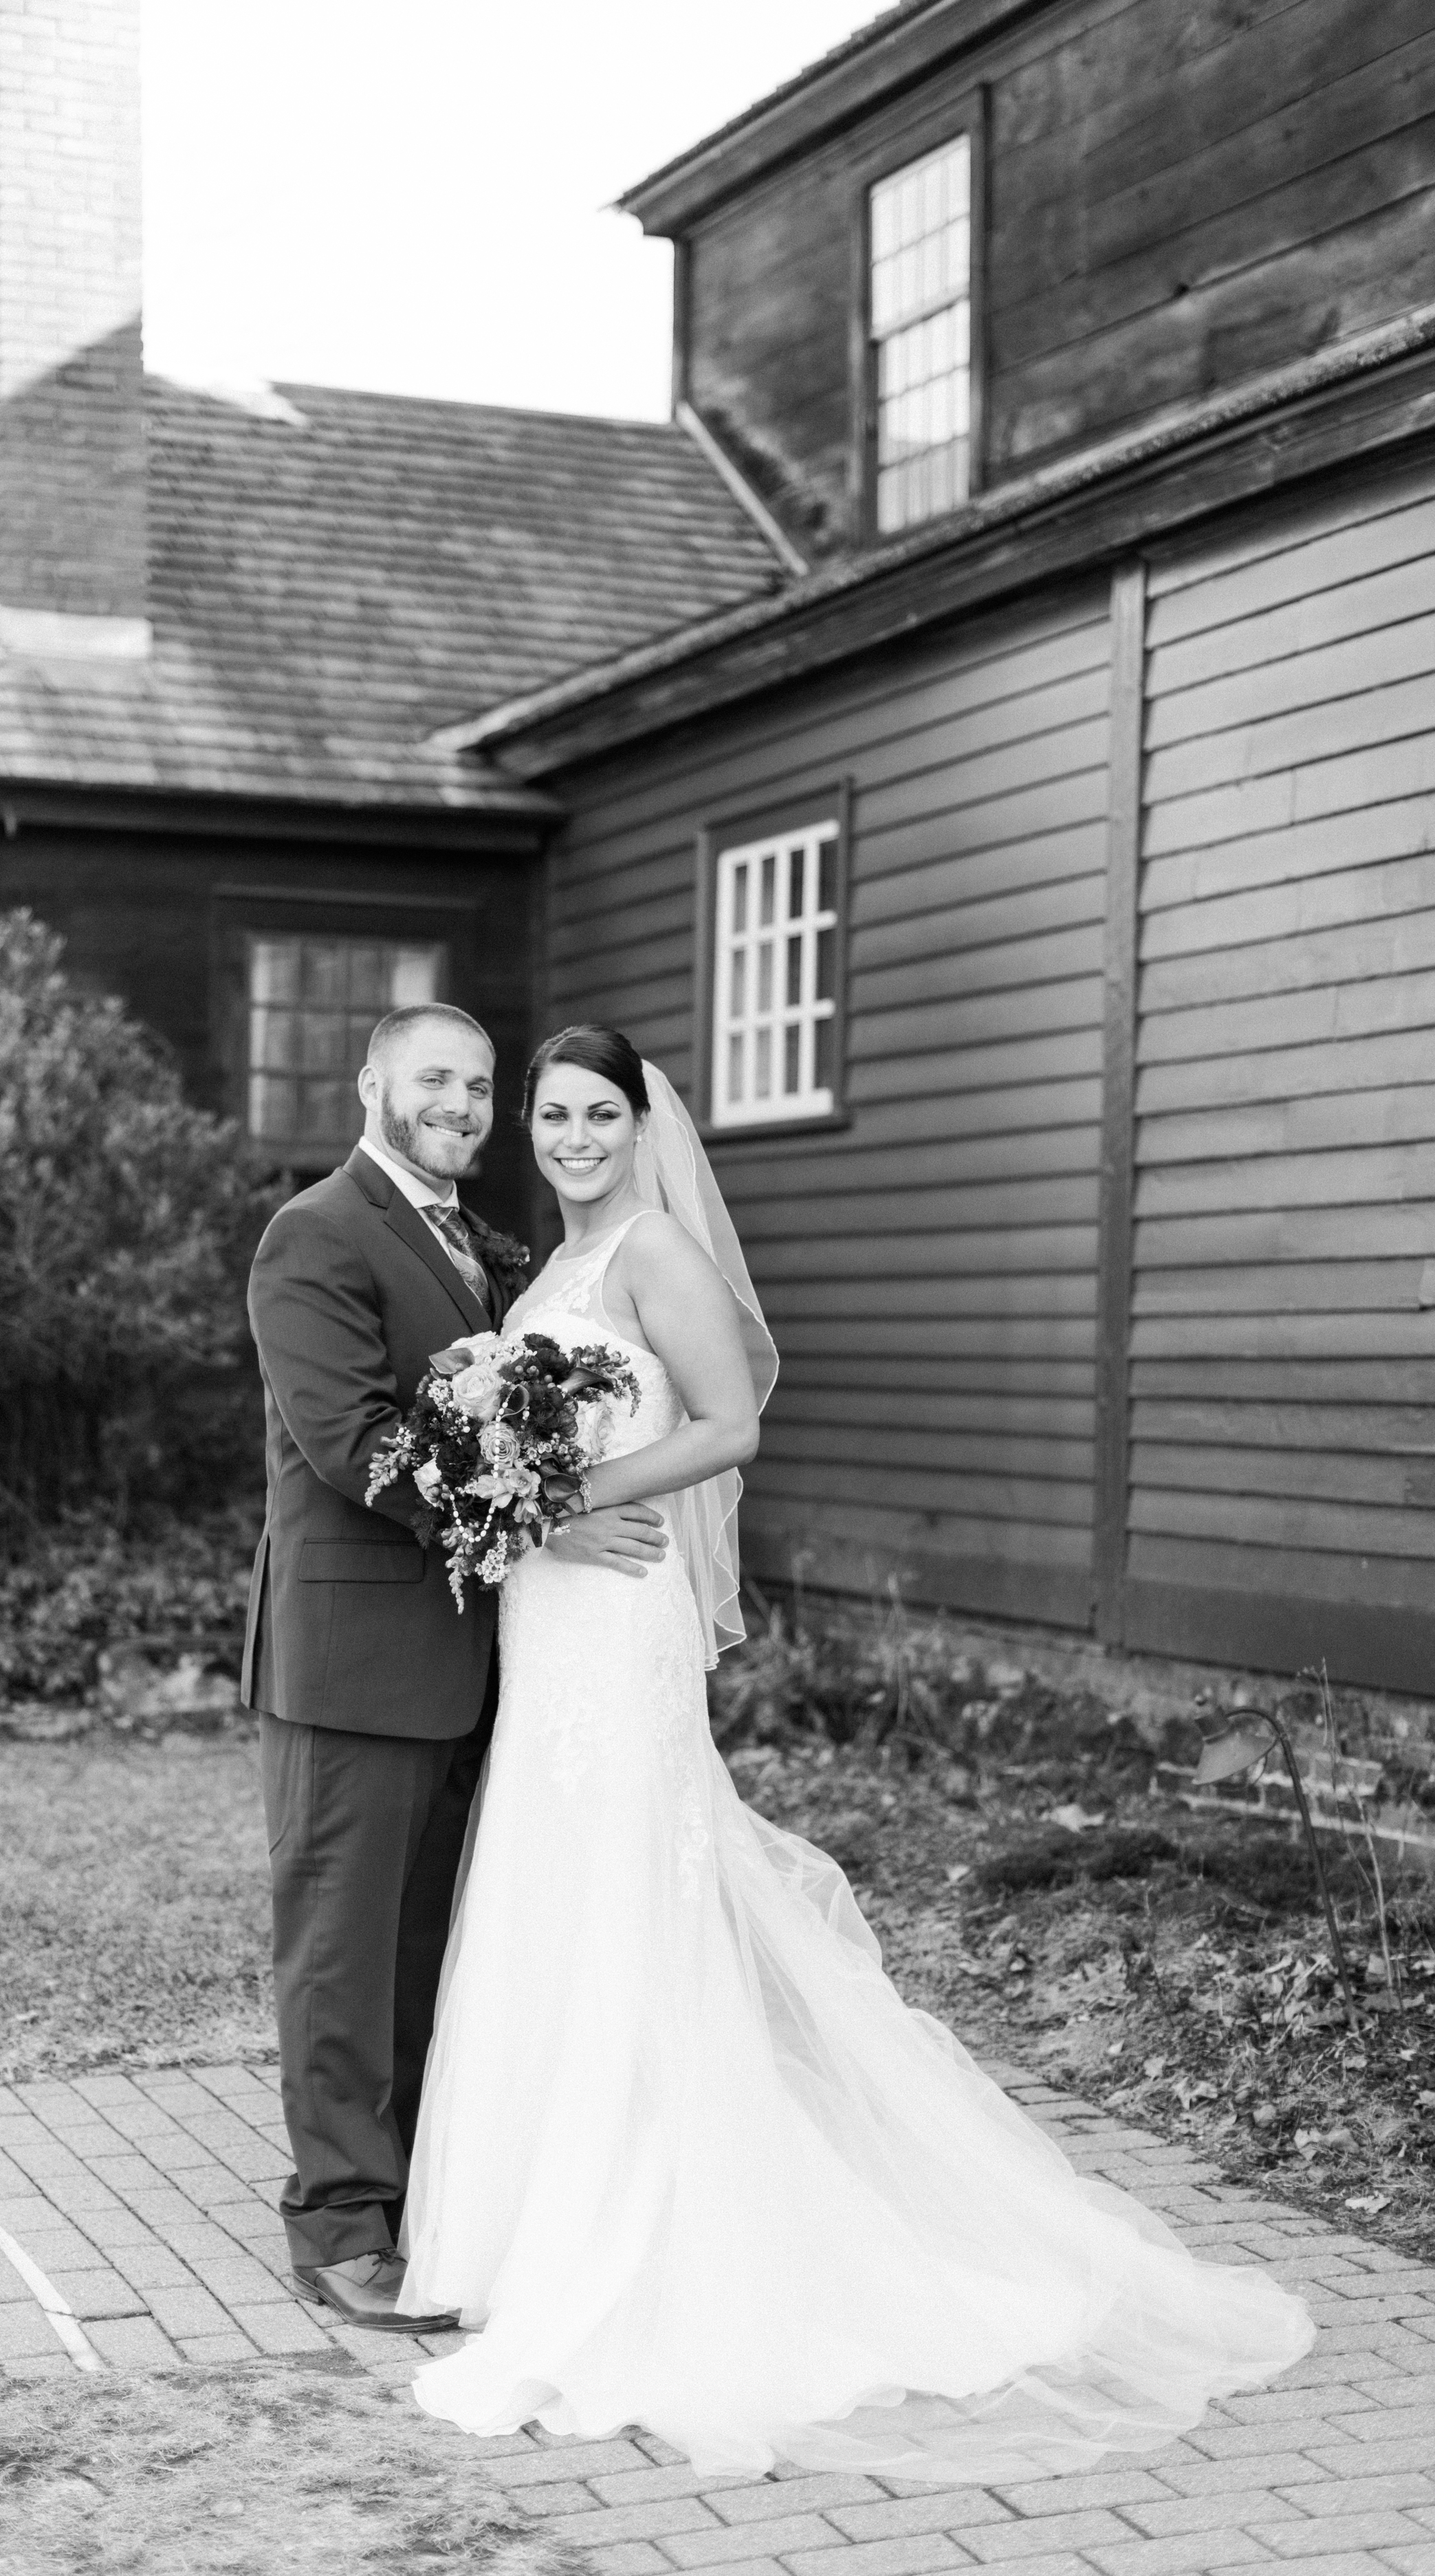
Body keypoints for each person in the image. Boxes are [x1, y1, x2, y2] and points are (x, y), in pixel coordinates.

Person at [397, 1021, 1314, 2478]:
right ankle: (533, 2236)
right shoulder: (549, 1274)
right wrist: (523, 1502)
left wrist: (574, 1488)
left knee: (631, 1888)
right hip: (548, 1617)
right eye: (551, 1115)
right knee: (550, 1890)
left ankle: (646, 2251)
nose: (571, 1137)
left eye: (596, 1115)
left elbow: (735, 1420)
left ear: (641, 1129)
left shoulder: (648, 1254)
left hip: (616, 1616)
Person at [241, 1003, 667, 2332]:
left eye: (482, 1087)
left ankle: (424, 2193)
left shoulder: (488, 1252)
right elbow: (355, 1441)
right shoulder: (314, 1234)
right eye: (436, 1079)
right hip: (353, 1657)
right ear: (371, 1081)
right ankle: (339, 2225)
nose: (463, 1105)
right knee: (341, 1950)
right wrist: (552, 1514)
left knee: (429, 1947)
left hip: (480, 1660)